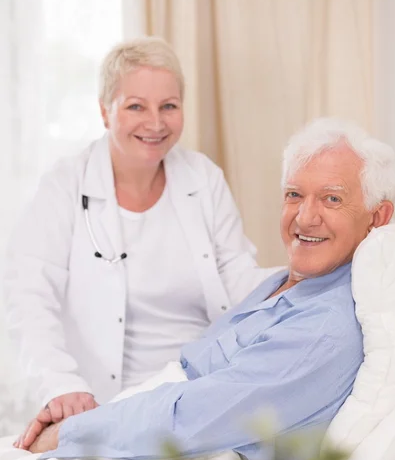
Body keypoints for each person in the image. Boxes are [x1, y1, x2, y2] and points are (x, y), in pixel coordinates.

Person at [16, 117, 395, 460]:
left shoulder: (323, 329)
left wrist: (68, 432)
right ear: (105, 112)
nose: (305, 217)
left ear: (377, 217)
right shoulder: (283, 283)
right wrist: (81, 412)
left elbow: (187, 419)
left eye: (332, 198)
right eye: (294, 194)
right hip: (135, 423)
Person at [3, 37, 272, 428]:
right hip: (102, 401)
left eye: (169, 106)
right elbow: (28, 297)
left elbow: (238, 279)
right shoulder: (65, 185)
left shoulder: (203, 178)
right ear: (104, 112)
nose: (156, 123)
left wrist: (302, 277)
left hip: (197, 391)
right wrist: (60, 384)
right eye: (135, 107)